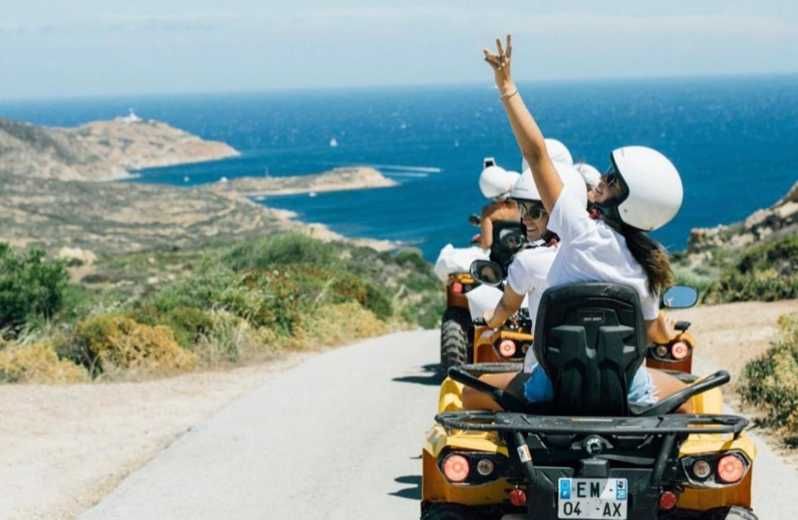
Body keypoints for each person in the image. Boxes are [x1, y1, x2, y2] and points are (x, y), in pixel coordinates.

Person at [464, 35, 693, 412]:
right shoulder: (649, 266)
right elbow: (654, 335)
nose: (601, 180)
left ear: (625, 198)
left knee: (470, 394)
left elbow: (536, 155)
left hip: (550, 390)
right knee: (691, 399)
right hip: (627, 394)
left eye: (611, 179)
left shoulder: (577, 229)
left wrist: (507, 88)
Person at [477, 162, 521, 250]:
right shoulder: (523, 205)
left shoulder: (488, 213)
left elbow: (487, 244)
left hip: (505, 258)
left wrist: (479, 241)